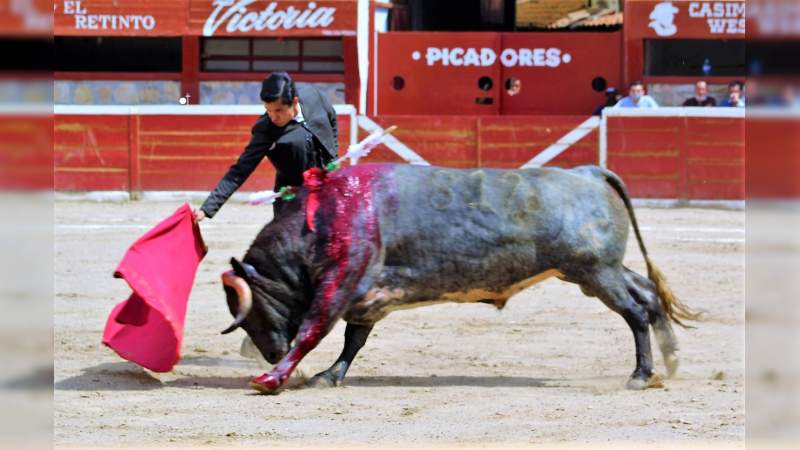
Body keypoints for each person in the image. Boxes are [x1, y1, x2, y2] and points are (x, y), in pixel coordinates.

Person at [193, 72, 338, 221]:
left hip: (326, 188)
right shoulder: (266, 130)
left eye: (278, 110)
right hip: (291, 199)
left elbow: (331, 117)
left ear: (294, 102)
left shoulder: (313, 97)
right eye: (268, 110)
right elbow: (240, 170)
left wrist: (333, 157)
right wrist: (206, 209)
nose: (273, 117)